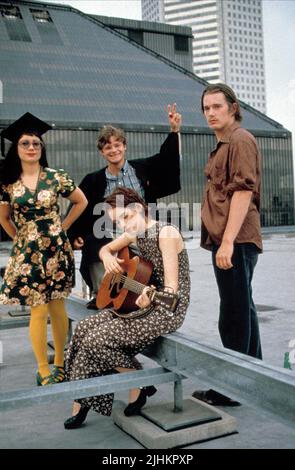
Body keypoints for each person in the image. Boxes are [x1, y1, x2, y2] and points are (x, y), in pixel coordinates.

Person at [63, 187, 190, 429]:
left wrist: (151, 298)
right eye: (118, 222)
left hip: (167, 308)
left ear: (140, 210)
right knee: (83, 329)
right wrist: (106, 256)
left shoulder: (166, 233)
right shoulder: (135, 233)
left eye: (126, 218)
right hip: (143, 302)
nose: (124, 226)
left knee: (96, 340)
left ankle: (136, 381)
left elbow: (172, 289)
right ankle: (81, 398)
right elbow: (105, 249)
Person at [0, 113, 88, 386]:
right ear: (16, 148)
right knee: (38, 310)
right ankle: (43, 369)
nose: (31, 147)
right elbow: (3, 218)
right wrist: (21, 239)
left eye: (36, 143)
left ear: (42, 148)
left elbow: (81, 201)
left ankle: (60, 363)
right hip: (28, 256)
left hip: (56, 250)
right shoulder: (8, 183)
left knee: (58, 308)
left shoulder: (55, 177)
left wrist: (63, 226)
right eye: (25, 143)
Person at [67, 104, 182, 310]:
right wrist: (76, 234)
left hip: (139, 231)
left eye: (117, 144)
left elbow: (167, 160)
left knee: (150, 249)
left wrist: (174, 131)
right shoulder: (93, 180)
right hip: (109, 233)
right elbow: (80, 209)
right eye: (108, 147)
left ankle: (149, 292)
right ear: (102, 152)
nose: (113, 150)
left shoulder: (142, 169)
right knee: (94, 243)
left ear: (125, 146)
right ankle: (102, 291)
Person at [192, 84, 263, 406]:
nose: (210, 113)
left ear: (233, 107)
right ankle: (254, 379)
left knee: (233, 314)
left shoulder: (240, 140)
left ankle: (232, 388)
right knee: (242, 308)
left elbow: (243, 192)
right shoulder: (224, 143)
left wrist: (228, 243)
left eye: (217, 106)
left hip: (236, 240)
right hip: (230, 239)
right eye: (206, 108)